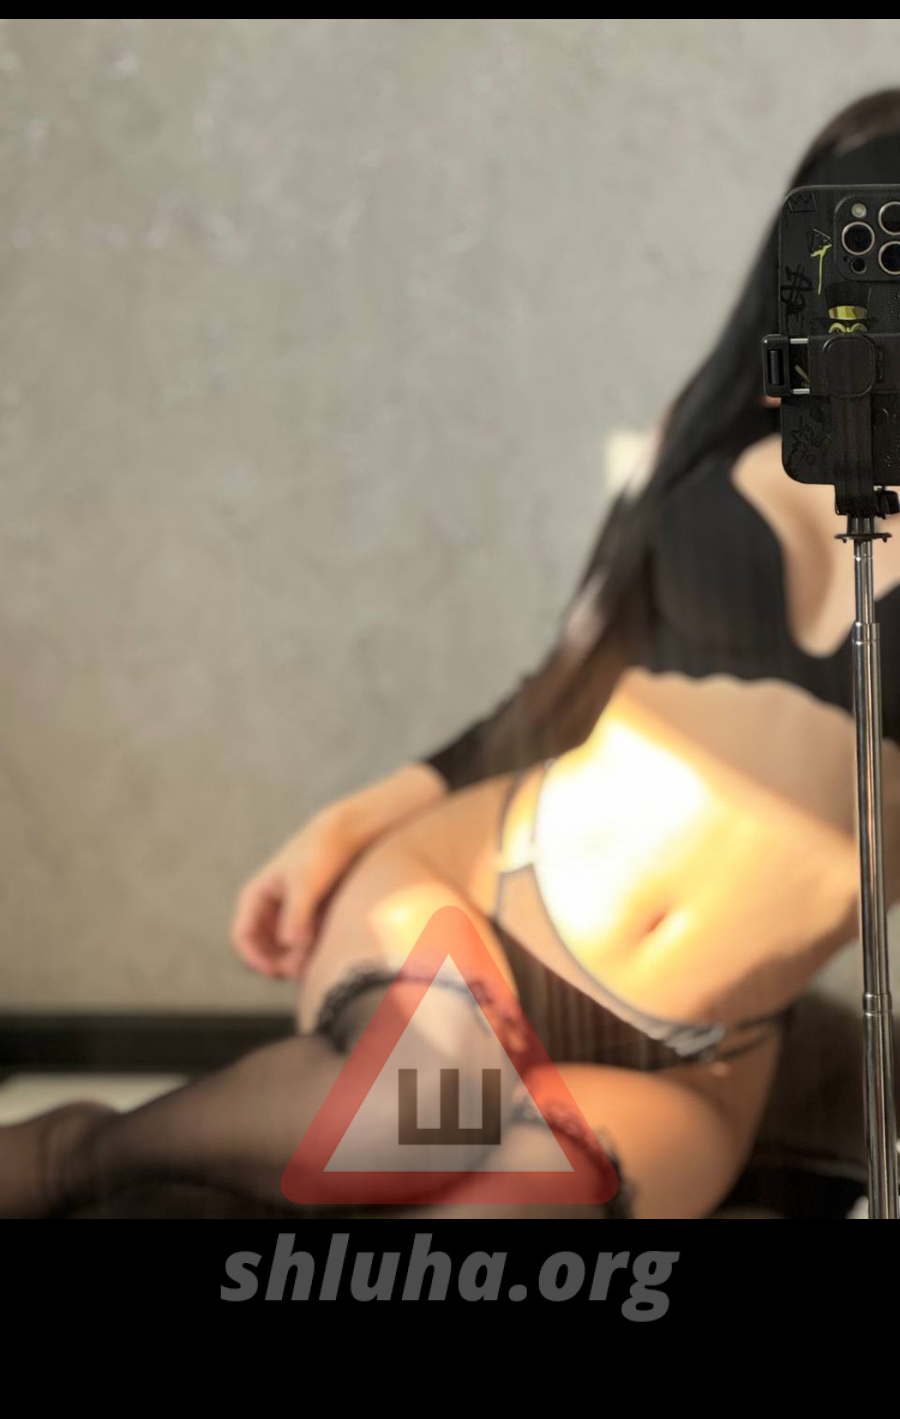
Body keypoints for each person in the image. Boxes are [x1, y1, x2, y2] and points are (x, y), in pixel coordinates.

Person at [6, 91, 900, 1221]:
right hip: (483, 894)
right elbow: (560, 690)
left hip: (697, 1053)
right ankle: (81, 1155)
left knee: (486, 1221)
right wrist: (348, 821)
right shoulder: (713, 441)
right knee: (414, 1115)